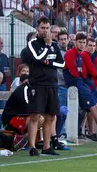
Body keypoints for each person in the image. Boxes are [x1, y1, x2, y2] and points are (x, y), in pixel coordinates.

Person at [21, 17, 65, 156]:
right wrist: (46, 47)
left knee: (50, 116)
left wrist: (48, 62)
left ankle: (47, 146)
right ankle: (32, 146)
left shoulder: (55, 45)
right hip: (38, 84)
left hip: (52, 83)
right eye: (42, 28)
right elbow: (38, 58)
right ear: (37, 28)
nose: (45, 31)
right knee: (35, 116)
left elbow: (61, 63)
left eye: (47, 28)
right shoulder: (32, 44)